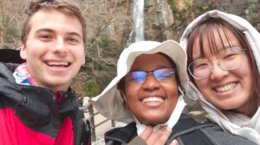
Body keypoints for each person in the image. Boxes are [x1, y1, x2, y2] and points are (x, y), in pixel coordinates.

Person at [91, 40, 256, 145]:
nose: (151, 84)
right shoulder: (114, 141)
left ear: (178, 88)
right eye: (136, 77)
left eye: (164, 75)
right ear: (123, 94)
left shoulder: (222, 141)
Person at [0, 0, 90, 144]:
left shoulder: (76, 121)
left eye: (72, 39)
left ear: (83, 54)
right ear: (23, 48)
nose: (60, 48)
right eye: (46, 36)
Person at [180, 10, 260, 144]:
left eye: (229, 56)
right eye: (200, 65)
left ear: (254, 54)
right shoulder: (196, 137)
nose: (217, 73)